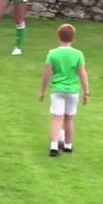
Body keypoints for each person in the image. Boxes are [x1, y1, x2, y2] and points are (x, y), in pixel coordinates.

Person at [39, 24, 90, 157]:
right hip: (73, 90)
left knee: (57, 118)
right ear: (73, 38)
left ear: (59, 37)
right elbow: (83, 73)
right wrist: (86, 92)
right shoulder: (78, 54)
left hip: (58, 90)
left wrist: (43, 91)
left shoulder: (53, 54)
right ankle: (68, 145)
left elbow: (47, 73)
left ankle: (54, 146)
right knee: (69, 118)